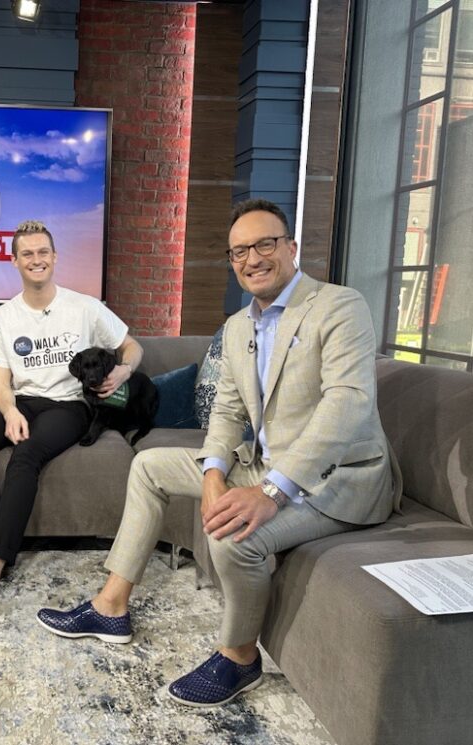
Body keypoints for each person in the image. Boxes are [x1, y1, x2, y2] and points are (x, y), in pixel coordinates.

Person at [37, 198, 401, 707]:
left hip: (337, 478)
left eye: (265, 244)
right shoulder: (236, 327)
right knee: (148, 466)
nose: (252, 258)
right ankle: (110, 605)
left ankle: (239, 658)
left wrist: (271, 491)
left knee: (233, 534)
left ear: (292, 248)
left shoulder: (339, 306)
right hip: (261, 464)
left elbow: (348, 404)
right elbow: (228, 413)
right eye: (238, 252)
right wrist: (213, 476)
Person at [0, 220, 144, 610]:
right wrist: (9, 409)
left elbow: (131, 346)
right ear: (14, 261)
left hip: (69, 405)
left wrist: (124, 370)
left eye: (43, 252)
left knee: (26, 453)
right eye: (27, 253)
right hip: (24, 400)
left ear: (55, 257)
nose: (36, 259)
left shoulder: (85, 307)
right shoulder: (5, 316)